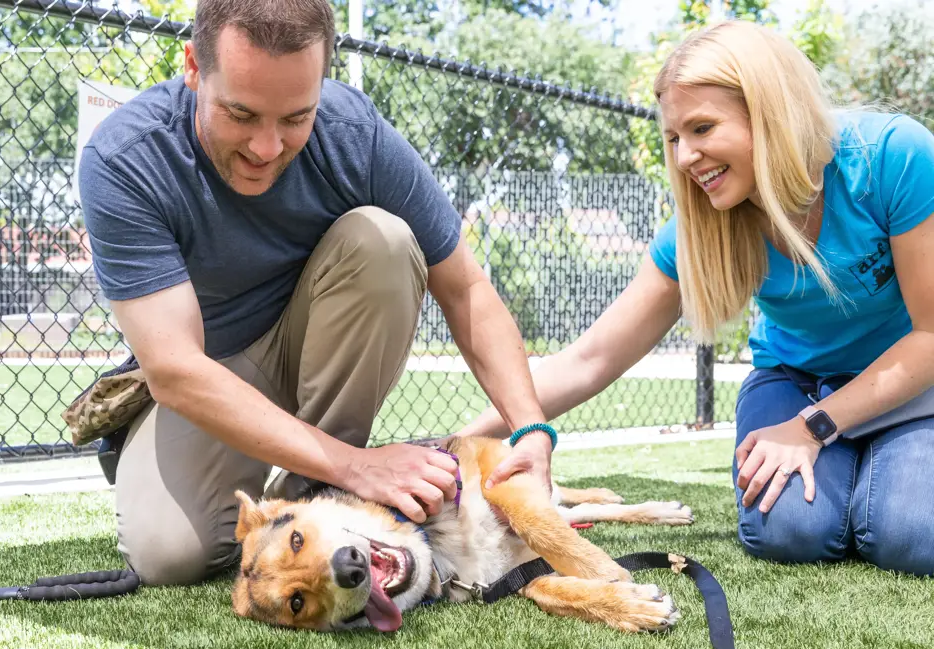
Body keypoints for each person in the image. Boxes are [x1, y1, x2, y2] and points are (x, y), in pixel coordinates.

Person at [77, 0, 556, 586]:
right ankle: (336, 471)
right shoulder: (126, 156)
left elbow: (468, 290)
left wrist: (531, 428)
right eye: (241, 114)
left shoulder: (355, 133)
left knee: (383, 240)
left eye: (296, 117)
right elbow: (176, 369)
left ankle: (318, 491)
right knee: (171, 556)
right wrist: (361, 464)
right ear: (194, 68)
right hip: (211, 368)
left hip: (314, 343)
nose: (266, 147)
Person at [458, 20, 934, 577]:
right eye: (674, 139)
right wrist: (453, 444)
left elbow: (930, 335)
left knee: (913, 534)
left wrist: (814, 429)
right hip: (795, 378)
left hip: (907, 381)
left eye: (702, 128)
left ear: (769, 111)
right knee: (792, 530)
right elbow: (588, 360)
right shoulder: (696, 229)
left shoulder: (893, 158)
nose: (685, 158)